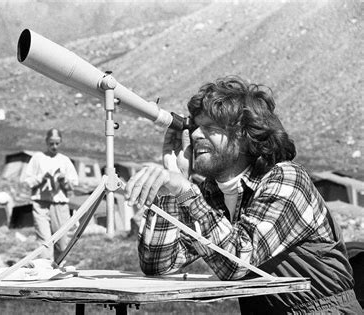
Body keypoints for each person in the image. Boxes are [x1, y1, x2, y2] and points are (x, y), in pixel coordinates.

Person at [124, 76, 362, 314]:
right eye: (195, 126)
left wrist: (185, 192)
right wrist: (172, 185)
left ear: (245, 137)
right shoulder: (212, 193)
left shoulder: (286, 179)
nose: (196, 135)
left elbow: (238, 261)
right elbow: (158, 265)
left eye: (210, 127)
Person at [21, 128, 79, 262]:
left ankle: (59, 266)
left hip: (60, 204)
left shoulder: (65, 160)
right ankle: (45, 268)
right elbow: (28, 180)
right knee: (44, 241)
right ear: (46, 142)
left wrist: (64, 180)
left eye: (57, 143)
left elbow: (73, 183)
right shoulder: (37, 158)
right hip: (41, 203)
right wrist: (41, 178)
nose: (54, 146)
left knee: (62, 242)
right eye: (51, 143)